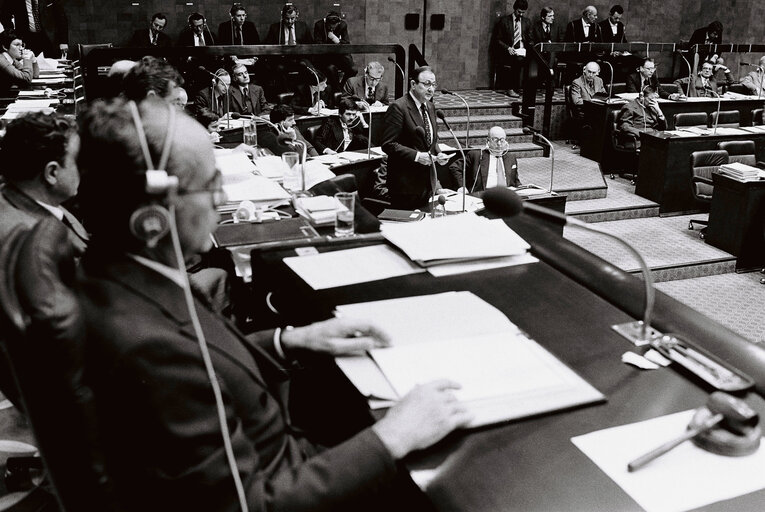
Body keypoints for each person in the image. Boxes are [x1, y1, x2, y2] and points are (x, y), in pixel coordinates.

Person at [74, 96, 472, 511]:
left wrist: (291, 339)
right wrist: (393, 436)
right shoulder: (148, 349)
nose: (221, 195)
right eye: (210, 183)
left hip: (286, 451)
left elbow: (206, 361)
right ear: (152, 219)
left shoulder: (128, 276)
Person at [0, 112, 85, 253]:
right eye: (77, 161)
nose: (83, 169)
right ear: (52, 172)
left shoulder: (14, 195)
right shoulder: (39, 246)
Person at [381, 66, 451, 210]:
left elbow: (430, 140)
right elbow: (388, 144)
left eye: (433, 84)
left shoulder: (430, 107)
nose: (431, 89)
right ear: (413, 84)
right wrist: (417, 156)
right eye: (426, 84)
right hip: (405, 185)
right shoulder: (398, 107)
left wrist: (438, 153)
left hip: (427, 182)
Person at [448, 126, 520, 192]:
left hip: (506, 195)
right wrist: (462, 186)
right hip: (483, 194)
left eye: (502, 140)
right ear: (488, 141)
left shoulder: (511, 157)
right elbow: (454, 167)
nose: (499, 144)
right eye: (495, 140)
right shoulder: (476, 155)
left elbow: (515, 181)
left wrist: (524, 188)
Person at [0, 0, 68, 55]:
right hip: (26, 39)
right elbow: (4, 16)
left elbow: (61, 18)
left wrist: (63, 41)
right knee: (29, 65)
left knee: (53, 65)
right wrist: (12, 35)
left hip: (49, 38)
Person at [492, 0, 529, 98]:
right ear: (514, 9)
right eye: (519, 12)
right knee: (516, 60)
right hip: (508, 51)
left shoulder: (526, 22)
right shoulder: (504, 21)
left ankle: (527, 88)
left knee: (531, 60)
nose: (520, 14)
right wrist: (508, 48)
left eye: (523, 13)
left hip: (522, 50)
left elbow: (530, 38)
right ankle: (511, 88)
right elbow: (497, 39)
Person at [313, 9, 356, 91]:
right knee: (331, 68)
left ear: (338, 23)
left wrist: (334, 38)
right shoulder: (319, 25)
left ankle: (342, 87)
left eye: (334, 26)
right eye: (330, 26)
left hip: (338, 56)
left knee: (353, 69)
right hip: (324, 57)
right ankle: (337, 91)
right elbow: (318, 45)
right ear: (326, 23)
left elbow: (346, 43)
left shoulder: (343, 25)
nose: (332, 28)